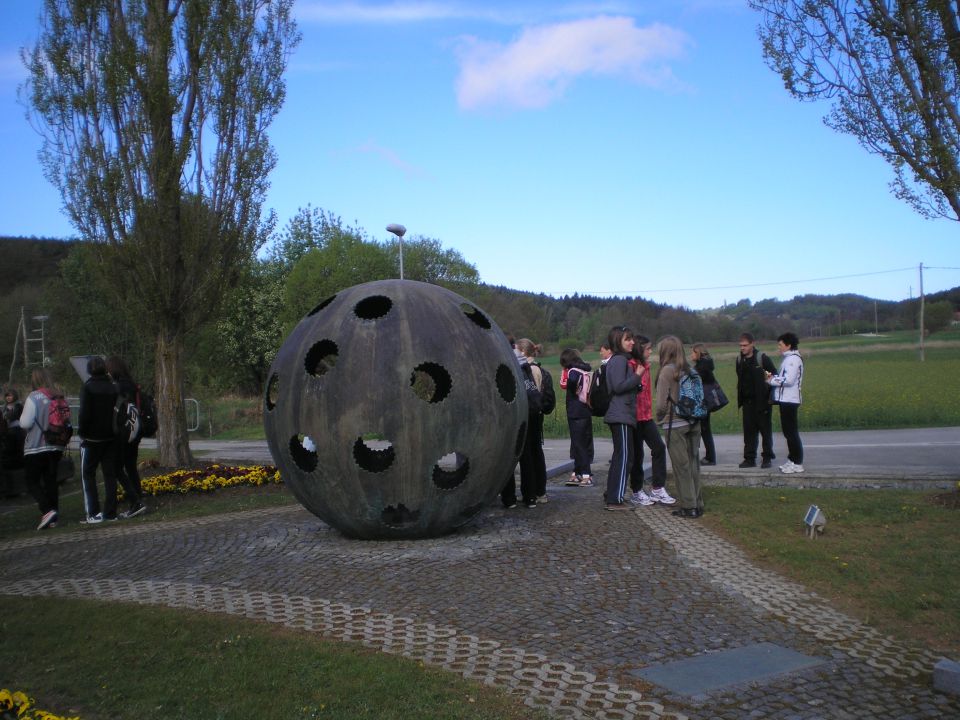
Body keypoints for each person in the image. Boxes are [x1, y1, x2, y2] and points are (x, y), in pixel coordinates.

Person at [655, 335, 703, 518]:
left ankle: (688, 506)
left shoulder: (666, 371)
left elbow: (660, 404)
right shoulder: (690, 369)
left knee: (681, 466)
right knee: (693, 463)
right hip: (694, 421)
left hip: (674, 423)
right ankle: (697, 503)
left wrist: (660, 419)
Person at [627, 336, 674, 506]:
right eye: (648, 348)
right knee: (637, 455)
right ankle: (637, 490)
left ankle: (657, 488)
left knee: (659, 447)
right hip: (634, 418)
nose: (651, 351)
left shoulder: (646, 367)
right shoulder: (631, 366)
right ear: (640, 349)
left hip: (646, 417)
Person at [19, 369, 66, 530]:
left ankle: (47, 510)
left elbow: (25, 423)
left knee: (31, 480)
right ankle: (54, 517)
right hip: (56, 444)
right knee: (51, 481)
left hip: (37, 446)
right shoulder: (58, 395)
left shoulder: (34, 397)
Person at [603, 326, 643, 511]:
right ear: (618, 341)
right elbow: (618, 387)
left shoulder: (618, 360)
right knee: (625, 457)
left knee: (621, 456)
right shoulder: (619, 360)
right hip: (621, 414)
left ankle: (612, 494)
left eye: (632, 339)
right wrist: (637, 376)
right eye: (628, 339)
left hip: (620, 414)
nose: (632, 342)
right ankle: (615, 500)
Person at [78, 356, 123, 523]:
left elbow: (84, 414)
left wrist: (82, 432)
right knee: (109, 475)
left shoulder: (88, 388)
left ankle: (93, 512)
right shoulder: (113, 387)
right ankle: (110, 512)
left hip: (92, 438)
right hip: (110, 435)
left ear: (90, 370)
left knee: (88, 474)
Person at [106, 355, 147, 518]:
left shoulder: (118, 387)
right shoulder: (132, 385)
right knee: (130, 466)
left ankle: (135, 500)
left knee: (117, 468)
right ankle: (138, 498)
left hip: (123, 431)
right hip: (135, 429)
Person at [735, 332, 777, 469]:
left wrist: (766, 390)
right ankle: (749, 458)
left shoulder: (762, 358)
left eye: (745, 345)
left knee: (765, 430)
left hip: (762, 401)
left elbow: (774, 375)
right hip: (747, 402)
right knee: (749, 432)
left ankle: (767, 458)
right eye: (741, 345)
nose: (742, 348)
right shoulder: (739, 360)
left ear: (752, 344)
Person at [515, 339, 549, 506]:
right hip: (536, 413)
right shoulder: (535, 367)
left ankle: (537, 491)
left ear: (522, 351)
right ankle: (538, 490)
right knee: (536, 452)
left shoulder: (530, 369)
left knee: (532, 453)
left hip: (532, 414)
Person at [766, 332, 805, 474]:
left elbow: (788, 380)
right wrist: (774, 378)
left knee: (791, 432)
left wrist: (771, 381)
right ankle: (792, 459)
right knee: (788, 432)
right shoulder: (789, 358)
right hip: (785, 400)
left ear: (788, 345)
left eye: (780, 344)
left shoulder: (793, 359)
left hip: (790, 400)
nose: (779, 347)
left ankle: (798, 462)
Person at [559, 348, 594, 487]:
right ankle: (577, 471)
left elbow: (571, 381)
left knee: (579, 444)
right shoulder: (584, 369)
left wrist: (573, 390)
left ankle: (586, 474)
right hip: (585, 410)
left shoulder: (573, 371)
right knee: (581, 442)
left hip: (575, 412)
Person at [691, 343, 718, 465]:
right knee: (704, 429)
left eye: (693, 352)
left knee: (704, 430)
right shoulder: (705, 365)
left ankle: (710, 457)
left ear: (698, 353)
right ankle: (709, 456)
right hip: (706, 402)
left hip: (703, 402)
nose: (691, 355)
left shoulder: (701, 368)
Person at [1, 387, 25, 497]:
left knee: (18, 450)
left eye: (10, 395)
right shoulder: (5, 407)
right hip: (8, 430)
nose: (8, 397)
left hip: (17, 430)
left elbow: (13, 416)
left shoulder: (18, 405)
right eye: (7, 396)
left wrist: (6, 417)